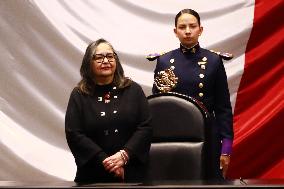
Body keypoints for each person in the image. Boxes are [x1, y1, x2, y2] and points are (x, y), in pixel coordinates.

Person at [149, 9, 234, 179]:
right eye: (182, 27)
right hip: (172, 137)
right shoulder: (164, 61)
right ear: (175, 32)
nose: (187, 31)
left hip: (207, 135)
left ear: (200, 30)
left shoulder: (213, 61)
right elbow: (158, 107)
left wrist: (226, 148)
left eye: (192, 26)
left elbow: (223, 108)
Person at [65, 38, 152, 183]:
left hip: (131, 172)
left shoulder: (133, 89)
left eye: (110, 56)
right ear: (88, 62)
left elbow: (145, 127)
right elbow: (74, 133)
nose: (106, 61)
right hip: (92, 174)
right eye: (99, 57)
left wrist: (124, 155)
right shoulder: (79, 94)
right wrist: (106, 162)